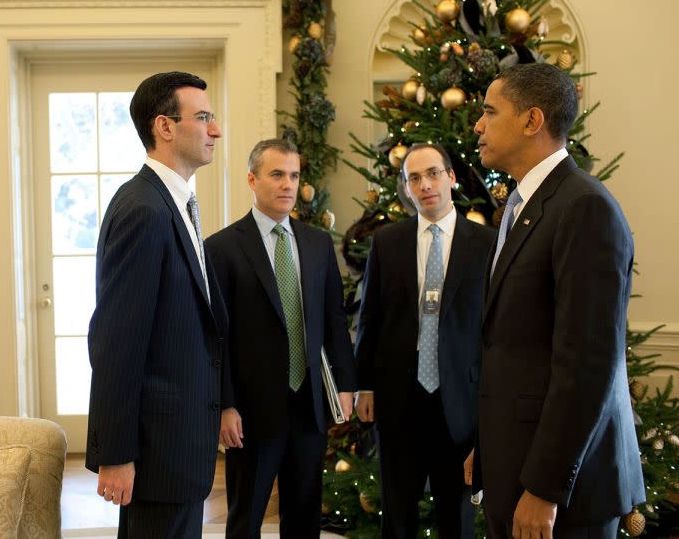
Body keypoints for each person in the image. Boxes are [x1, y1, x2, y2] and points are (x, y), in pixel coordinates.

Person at [471, 62, 645, 538]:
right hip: (517, 466)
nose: (478, 125)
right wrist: (487, 450)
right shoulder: (521, 204)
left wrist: (546, 487)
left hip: (564, 492)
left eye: (490, 111)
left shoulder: (584, 207)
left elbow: (588, 363)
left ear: (532, 121)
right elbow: (513, 345)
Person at [85, 71, 228, 539]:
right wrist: (117, 454)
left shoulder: (175, 201)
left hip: (181, 444)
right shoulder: (143, 209)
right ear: (164, 127)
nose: (216, 129)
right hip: (156, 450)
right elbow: (116, 342)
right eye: (203, 117)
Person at [206, 139, 357, 538]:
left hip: (308, 405)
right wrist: (225, 405)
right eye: (276, 174)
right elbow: (215, 338)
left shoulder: (317, 243)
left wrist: (344, 384)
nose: (287, 184)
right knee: (246, 518)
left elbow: (334, 321)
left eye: (293, 175)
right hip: (251, 412)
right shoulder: (221, 248)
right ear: (252, 180)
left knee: (304, 516)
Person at [353, 143, 495, 538]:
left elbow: (494, 328)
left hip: (460, 397)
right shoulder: (387, 242)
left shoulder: (486, 243)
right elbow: (371, 318)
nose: (425, 184)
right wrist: (364, 383)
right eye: (414, 177)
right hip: (400, 393)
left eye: (433, 173)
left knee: (457, 513)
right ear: (406, 187)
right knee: (397, 511)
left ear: (451, 177)